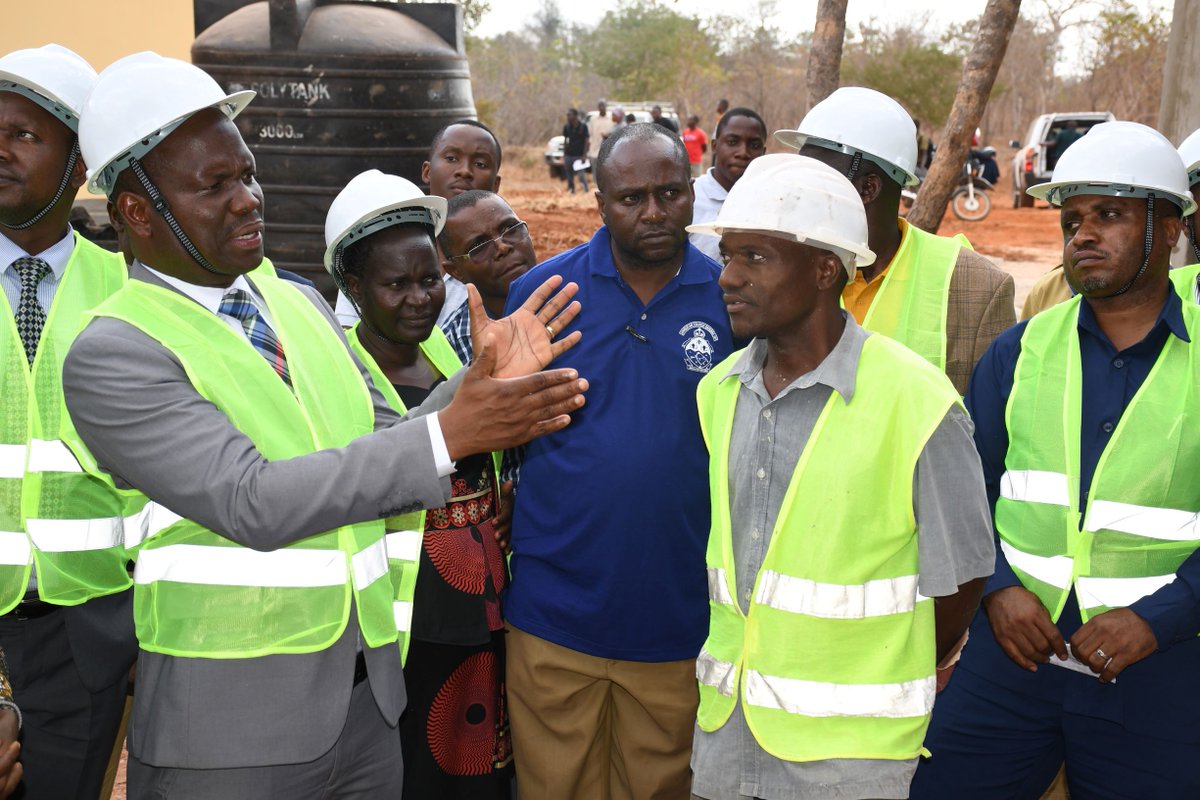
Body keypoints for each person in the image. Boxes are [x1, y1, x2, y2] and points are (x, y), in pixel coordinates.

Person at [61, 52, 587, 795]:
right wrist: (457, 429)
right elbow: (253, 499)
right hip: (230, 737)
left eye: (246, 173)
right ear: (137, 213)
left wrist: (479, 386)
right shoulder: (115, 350)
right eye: (215, 186)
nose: (248, 199)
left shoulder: (298, 306)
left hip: (367, 710)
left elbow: (382, 446)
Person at [687, 153, 993, 800]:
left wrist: (896, 667)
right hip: (724, 736)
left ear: (826, 269)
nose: (729, 278)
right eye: (728, 255)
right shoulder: (718, 391)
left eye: (756, 258)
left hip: (851, 762)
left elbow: (963, 577)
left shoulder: (919, 403)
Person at [910, 121, 1200, 799]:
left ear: (1169, 225)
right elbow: (967, 492)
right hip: (1015, 661)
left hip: (1162, 673)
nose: (1084, 235)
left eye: (1110, 215)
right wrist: (999, 588)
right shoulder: (1020, 351)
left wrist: (1159, 619)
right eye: (1072, 220)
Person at [502, 122, 735, 799]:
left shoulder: (731, 299)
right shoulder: (544, 295)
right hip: (554, 617)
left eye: (669, 193)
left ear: (693, 195)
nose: (654, 212)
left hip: (680, 619)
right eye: (632, 197)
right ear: (598, 202)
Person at [325, 171, 514, 799]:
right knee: (409, 773)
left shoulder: (454, 356)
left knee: (474, 772)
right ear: (353, 287)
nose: (418, 298)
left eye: (430, 279)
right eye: (395, 284)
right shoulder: (339, 371)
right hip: (403, 623)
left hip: (477, 611)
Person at [0, 44, 139, 799]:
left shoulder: (129, 293)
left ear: (79, 165)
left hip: (85, 638)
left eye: (24, 134)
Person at [776, 86, 1015, 394]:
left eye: (817, 180)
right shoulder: (784, 267)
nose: (801, 193)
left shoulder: (975, 287)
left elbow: (988, 427)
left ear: (868, 188)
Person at [334, 118, 504, 329]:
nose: (465, 171)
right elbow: (348, 336)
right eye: (451, 158)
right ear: (427, 171)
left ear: (496, 184)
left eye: (480, 164)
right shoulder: (378, 251)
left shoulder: (503, 259)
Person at [439, 190, 536, 365]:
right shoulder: (453, 346)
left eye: (510, 229)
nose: (502, 247)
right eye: (479, 246)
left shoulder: (577, 292)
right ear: (455, 271)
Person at [689, 107, 766, 262]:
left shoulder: (770, 201)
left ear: (763, 152)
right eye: (732, 142)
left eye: (754, 145)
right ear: (715, 146)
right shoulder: (691, 197)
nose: (743, 152)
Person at [562, 108, 589, 195]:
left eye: (569, 115)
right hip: (569, 155)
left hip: (579, 155)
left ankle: (586, 191)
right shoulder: (566, 127)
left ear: (575, 116)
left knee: (581, 176)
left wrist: (584, 155)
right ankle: (571, 191)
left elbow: (586, 141)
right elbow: (565, 140)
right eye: (567, 115)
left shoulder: (583, 127)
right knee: (569, 176)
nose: (568, 117)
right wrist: (564, 154)